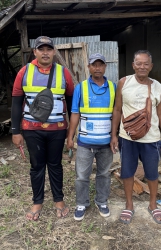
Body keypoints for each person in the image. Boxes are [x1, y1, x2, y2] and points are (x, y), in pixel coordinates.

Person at [11, 36, 74, 221]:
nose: (45, 52)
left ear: (54, 52)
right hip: (32, 129)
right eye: (41, 49)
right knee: (37, 166)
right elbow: (16, 103)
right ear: (35, 52)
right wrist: (15, 131)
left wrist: (72, 132)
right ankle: (37, 201)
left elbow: (71, 104)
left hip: (57, 129)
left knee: (55, 165)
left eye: (49, 49)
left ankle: (59, 200)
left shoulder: (64, 73)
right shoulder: (25, 71)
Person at [110, 50, 161, 224]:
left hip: (151, 139)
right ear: (133, 65)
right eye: (139, 63)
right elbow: (117, 109)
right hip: (127, 138)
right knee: (127, 172)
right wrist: (114, 135)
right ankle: (129, 205)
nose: (142, 67)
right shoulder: (123, 82)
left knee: (152, 173)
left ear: (151, 66)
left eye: (146, 64)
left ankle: (153, 205)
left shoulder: (157, 86)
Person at [67, 53, 116, 221]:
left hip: (106, 143)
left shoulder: (113, 87)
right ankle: (82, 203)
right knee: (82, 175)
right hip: (85, 143)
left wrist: (115, 136)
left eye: (100, 64)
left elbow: (117, 114)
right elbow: (75, 113)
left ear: (105, 67)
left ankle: (101, 201)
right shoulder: (81, 87)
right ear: (89, 67)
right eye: (94, 65)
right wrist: (70, 136)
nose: (97, 68)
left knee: (104, 173)